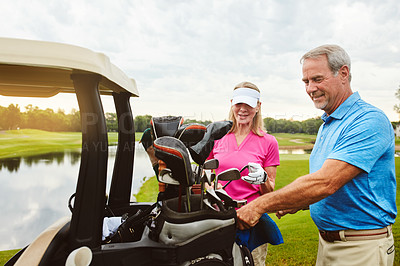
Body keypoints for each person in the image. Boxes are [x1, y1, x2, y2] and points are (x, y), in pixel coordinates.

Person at [236, 45, 396, 266]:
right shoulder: (327, 124)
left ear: (343, 73)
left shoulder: (368, 120)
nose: (311, 88)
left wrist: (257, 205)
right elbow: (343, 187)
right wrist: (300, 203)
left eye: (317, 79)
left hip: (360, 246)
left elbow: (326, 182)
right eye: (306, 81)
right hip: (328, 242)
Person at [208, 81, 280, 266]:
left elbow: (269, 191)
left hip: (252, 218)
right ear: (232, 103)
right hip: (220, 217)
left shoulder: (269, 142)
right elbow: (205, 176)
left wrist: (263, 179)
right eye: (238, 103)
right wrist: (213, 190)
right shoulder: (217, 136)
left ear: (258, 106)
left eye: (248, 104)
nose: (242, 109)